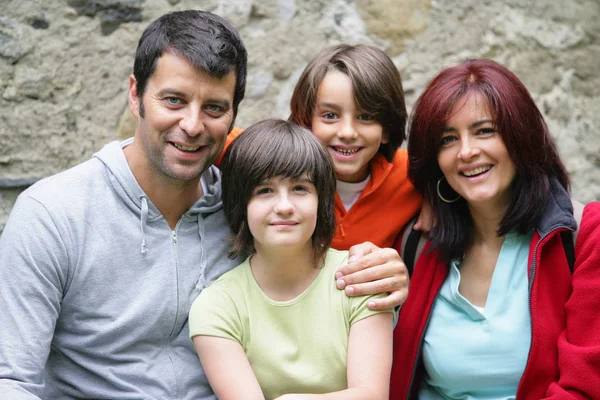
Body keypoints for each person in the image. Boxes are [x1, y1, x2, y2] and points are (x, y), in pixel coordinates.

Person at [0, 10, 407, 400]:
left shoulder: (246, 203)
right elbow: (11, 379)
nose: (193, 126)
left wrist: (386, 272)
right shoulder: (53, 214)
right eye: (173, 100)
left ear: (233, 115)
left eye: (214, 108)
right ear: (135, 94)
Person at [390, 59, 600, 399]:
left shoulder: (585, 236)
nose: (467, 152)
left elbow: (585, 386)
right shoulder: (416, 242)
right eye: (447, 139)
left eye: (484, 130)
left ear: (521, 137)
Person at [190, 119, 394, 399]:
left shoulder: (360, 278)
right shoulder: (216, 306)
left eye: (300, 188)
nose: (284, 207)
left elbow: (372, 395)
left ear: (321, 200)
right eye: (264, 191)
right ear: (241, 205)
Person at [224, 44, 425, 256]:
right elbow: (212, 138)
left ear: (387, 128)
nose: (347, 132)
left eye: (366, 117)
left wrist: (435, 200)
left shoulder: (412, 175)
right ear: (307, 121)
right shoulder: (268, 158)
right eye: (330, 115)